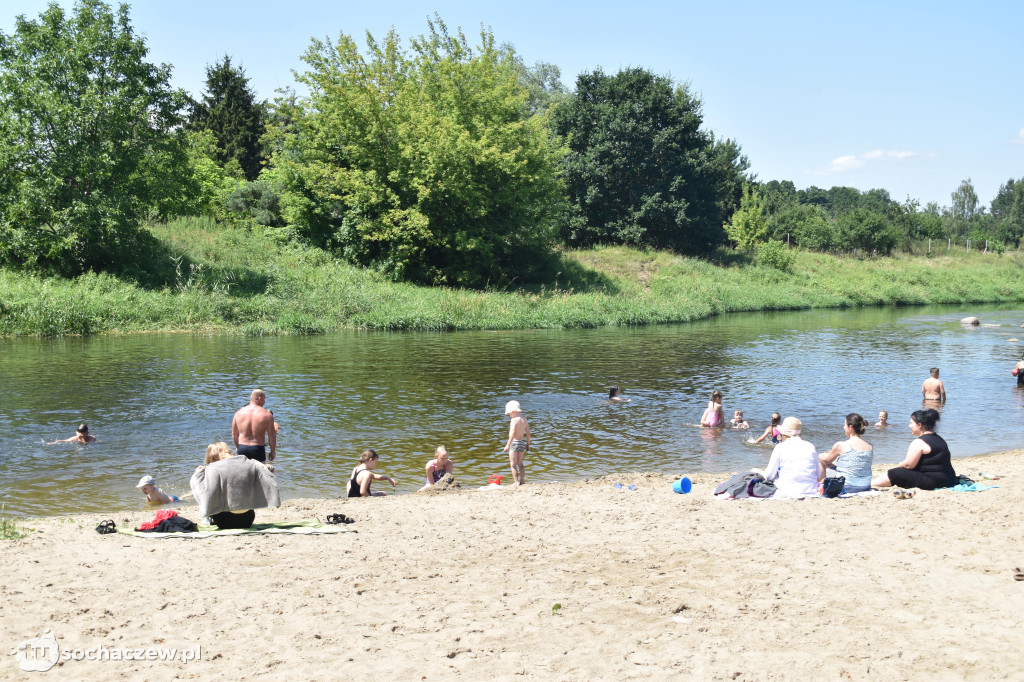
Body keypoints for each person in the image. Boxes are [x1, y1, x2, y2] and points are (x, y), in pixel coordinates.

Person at [190, 447, 280, 529]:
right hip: (247, 519)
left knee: (214, 494)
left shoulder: (212, 469)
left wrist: (197, 472)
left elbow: (200, 488)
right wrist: (260, 464)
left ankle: (208, 519)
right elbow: (270, 471)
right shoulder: (246, 464)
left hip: (224, 522)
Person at [871, 408, 957, 490]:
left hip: (934, 481)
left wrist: (901, 464)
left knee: (895, 473)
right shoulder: (940, 439)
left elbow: (909, 465)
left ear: (919, 425)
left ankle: (872, 483)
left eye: (911, 423)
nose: (909, 426)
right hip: (949, 479)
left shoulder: (919, 442)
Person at [755, 417, 821, 498]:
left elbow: (769, 476)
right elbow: (818, 475)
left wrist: (760, 471)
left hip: (786, 490)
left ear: (784, 434)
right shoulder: (810, 446)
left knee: (755, 470)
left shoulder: (780, 447)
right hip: (811, 490)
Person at [819, 413, 874, 494]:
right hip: (865, 486)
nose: (843, 427)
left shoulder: (841, 445)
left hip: (846, 486)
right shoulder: (870, 446)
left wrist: (822, 455)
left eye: (844, 425)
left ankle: (819, 482)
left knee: (822, 458)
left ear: (850, 427)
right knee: (835, 461)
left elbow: (826, 460)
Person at [232, 389, 276, 463]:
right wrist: (272, 451)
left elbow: (234, 434)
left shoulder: (238, 413)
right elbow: (272, 436)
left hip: (243, 448)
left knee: (244, 473)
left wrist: (237, 447)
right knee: (259, 473)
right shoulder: (267, 415)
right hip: (258, 449)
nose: (264, 402)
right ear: (260, 399)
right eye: (264, 399)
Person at [503, 400, 531, 487]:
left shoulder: (514, 420)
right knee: (520, 462)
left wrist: (508, 445)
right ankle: (522, 480)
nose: (509, 416)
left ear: (513, 411)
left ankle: (516, 482)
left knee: (513, 464)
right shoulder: (524, 419)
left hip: (514, 443)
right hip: (522, 443)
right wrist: (528, 444)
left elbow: (513, 433)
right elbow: (528, 433)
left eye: (509, 414)